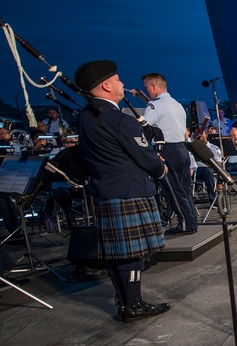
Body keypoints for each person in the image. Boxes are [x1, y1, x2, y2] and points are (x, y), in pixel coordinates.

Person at [73, 59, 170, 322]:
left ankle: (124, 300)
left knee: (116, 253)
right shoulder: (119, 120)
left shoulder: (85, 117)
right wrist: (160, 170)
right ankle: (134, 304)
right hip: (130, 190)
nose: (121, 84)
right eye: (117, 80)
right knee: (132, 253)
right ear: (106, 85)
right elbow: (144, 156)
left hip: (105, 190)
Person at [138, 73, 197, 235]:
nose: (147, 91)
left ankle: (185, 224)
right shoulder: (176, 104)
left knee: (172, 189)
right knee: (184, 189)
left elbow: (145, 125)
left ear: (153, 87)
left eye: (147, 88)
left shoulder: (155, 106)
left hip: (168, 150)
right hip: (182, 148)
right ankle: (191, 221)